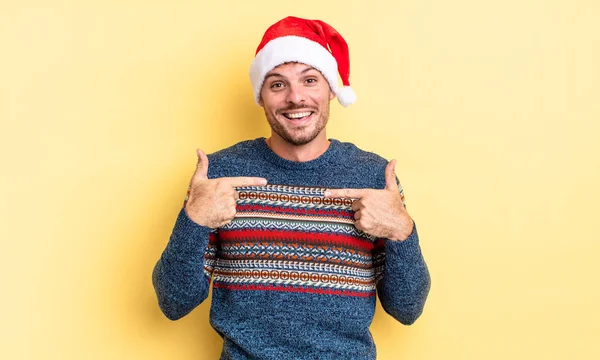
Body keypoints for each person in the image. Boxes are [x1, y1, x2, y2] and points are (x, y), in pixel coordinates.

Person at [153, 16, 431, 360]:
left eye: (310, 80)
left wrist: (401, 230)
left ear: (330, 88)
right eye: (277, 85)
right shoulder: (219, 174)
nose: (295, 98)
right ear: (261, 97)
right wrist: (192, 220)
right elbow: (173, 302)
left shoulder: (374, 176)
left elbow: (407, 309)